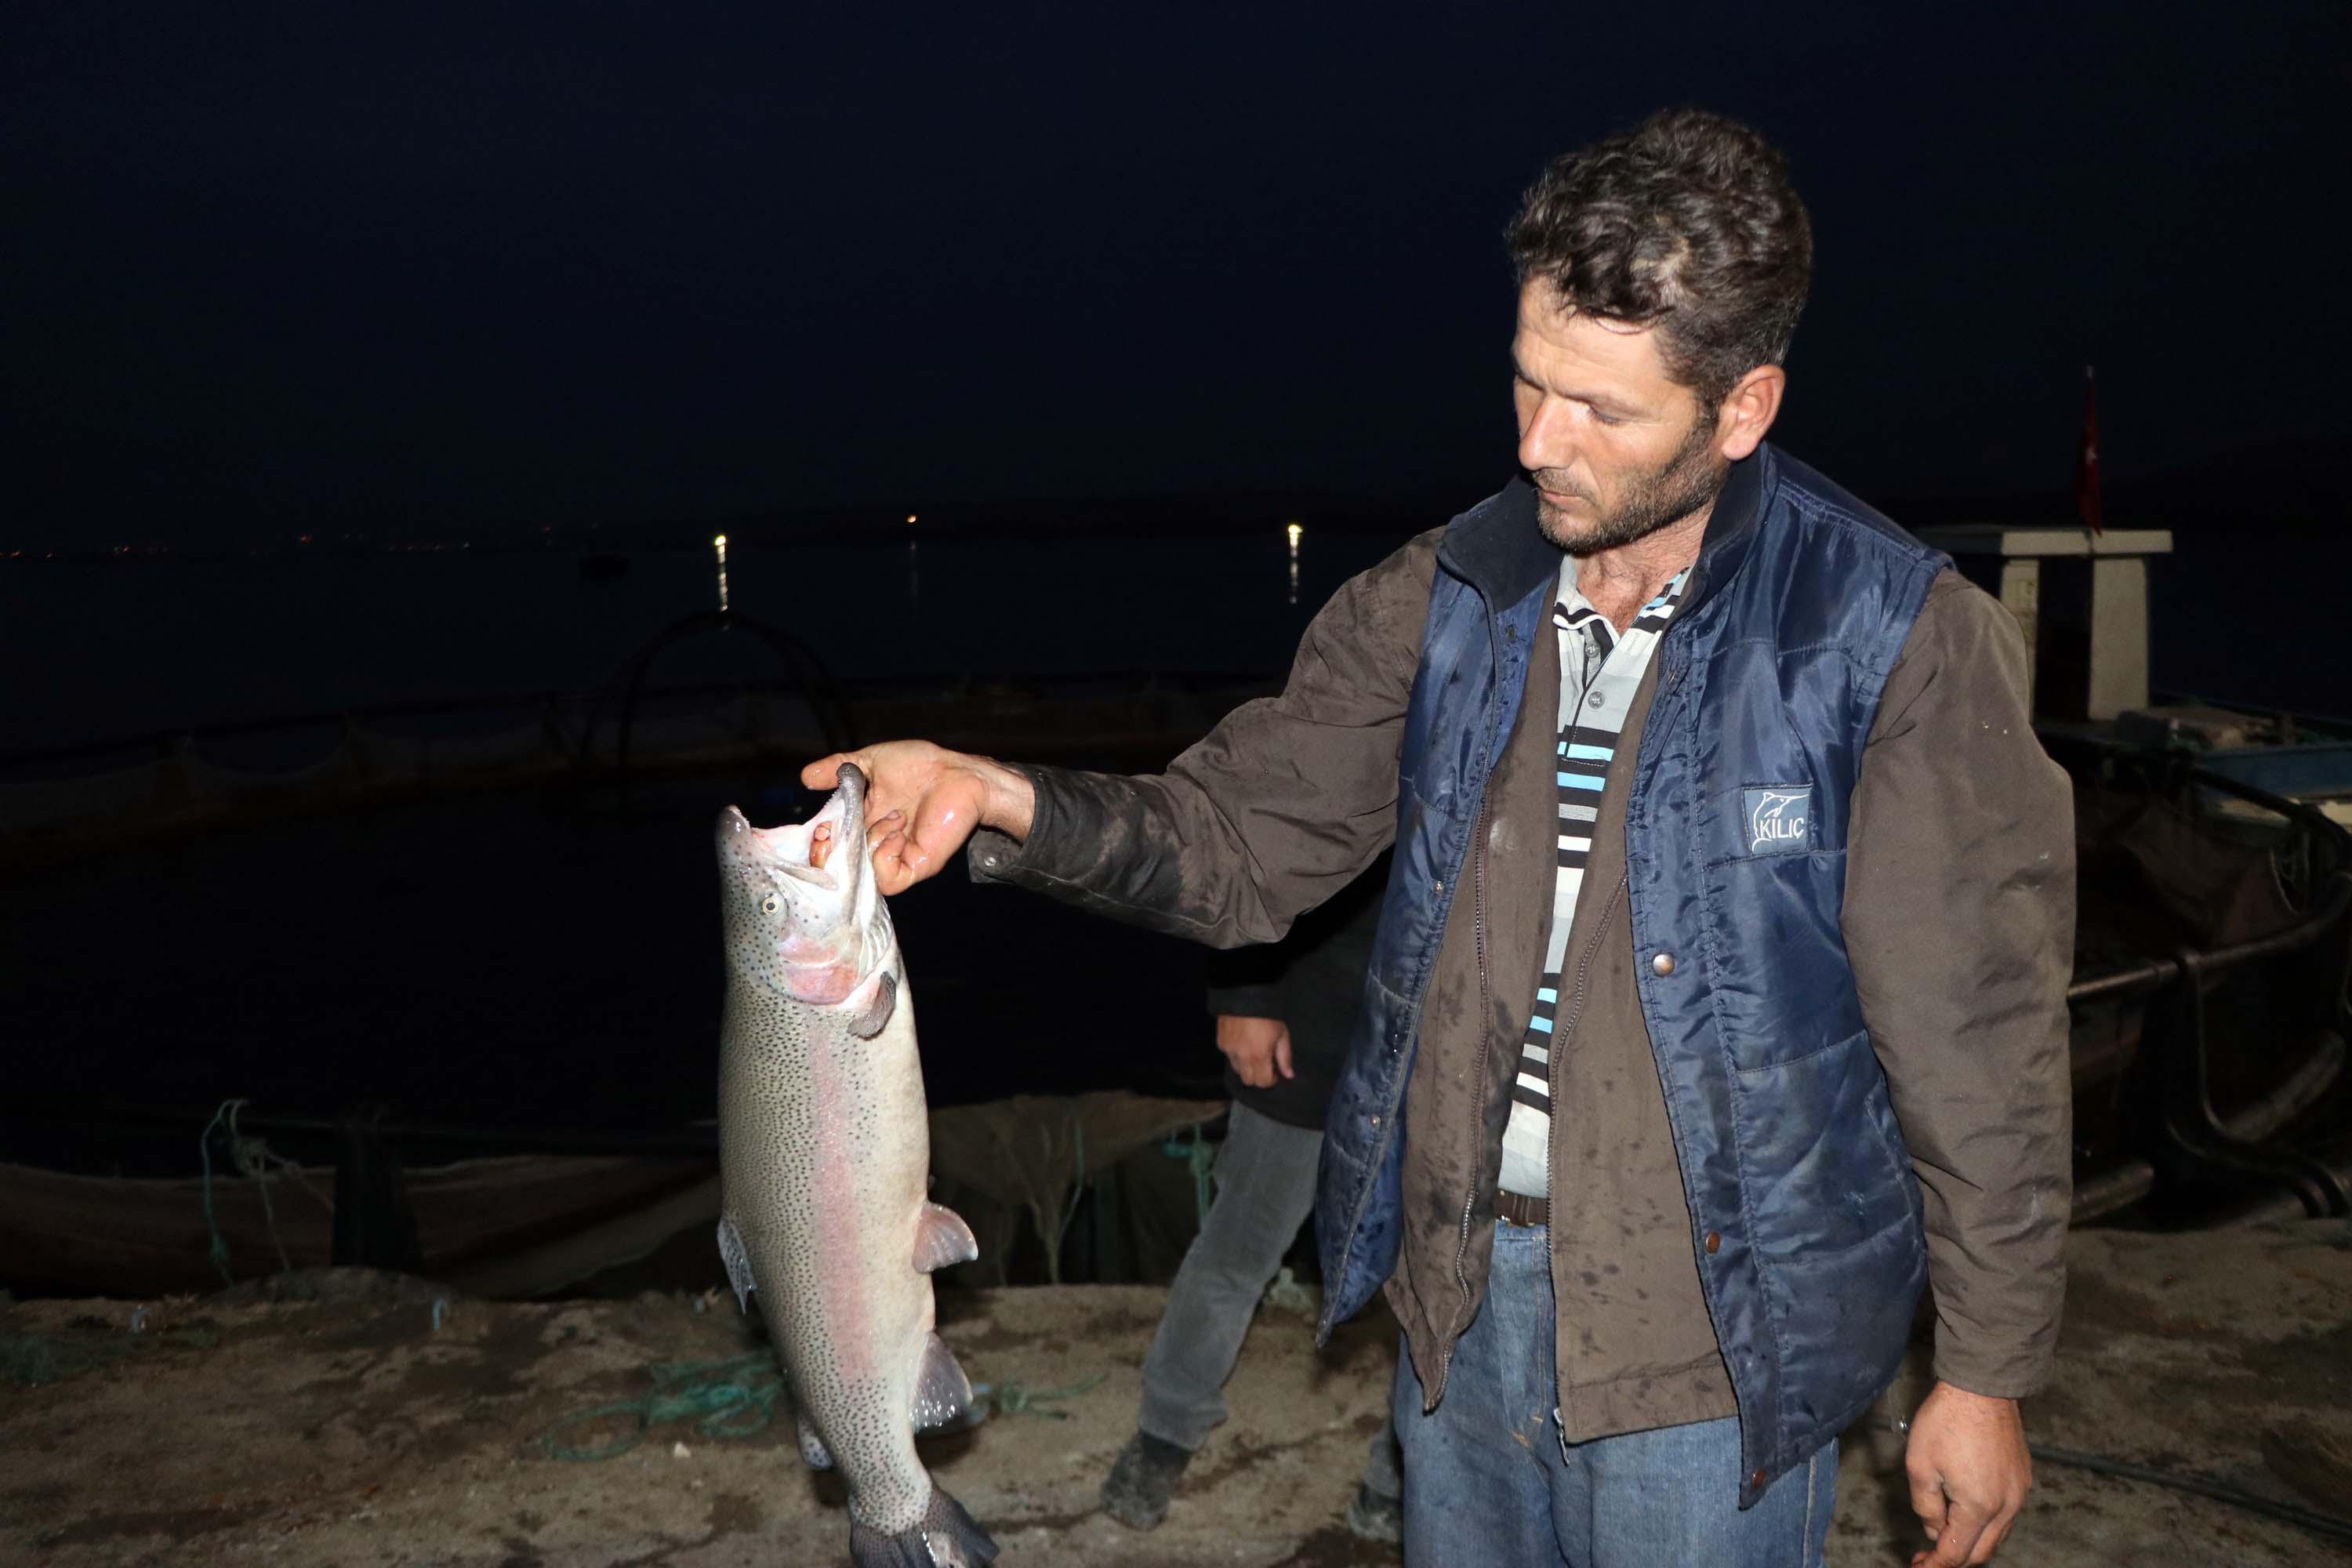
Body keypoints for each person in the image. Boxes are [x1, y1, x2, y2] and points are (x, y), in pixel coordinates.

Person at [807, 107, 2074, 1568]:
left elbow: (1979, 1043)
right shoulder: (1449, 590)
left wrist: (1984, 1374)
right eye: (1529, 382)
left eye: (1602, 411)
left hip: (1708, 1349)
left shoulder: (1888, 641)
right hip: (1454, 1299)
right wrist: (997, 793)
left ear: (1743, 409)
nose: (1539, 443)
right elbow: (1236, 841)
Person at [1098, 863, 1405, 1540]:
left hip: (1442, 1063)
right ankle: (1164, 1435)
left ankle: (1399, 1475)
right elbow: (1259, 838)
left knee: (1433, 1286)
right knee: (1236, 1254)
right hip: (1308, 1040)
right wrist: (1245, 994)